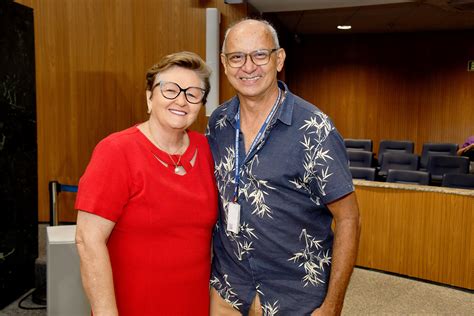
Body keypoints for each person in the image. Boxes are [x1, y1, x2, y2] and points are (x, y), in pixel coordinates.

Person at [206, 19, 361, 315]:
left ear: (279, 59)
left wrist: (333, 305)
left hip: (295, 295)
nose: (248, 67)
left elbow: (349, 220)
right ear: (225, 64)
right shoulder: (219, 122)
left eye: (260, 55)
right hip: (228, 288)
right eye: (237, 57)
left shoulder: (315, 129)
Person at [75, 51, 218, 316]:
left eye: (193, 93)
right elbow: (88, 239)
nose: (181, 100)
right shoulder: (116, 151)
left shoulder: (209, 150)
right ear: (149, 97)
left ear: (201, 104)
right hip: (131, 307)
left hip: (193, 307)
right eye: (170, 90)